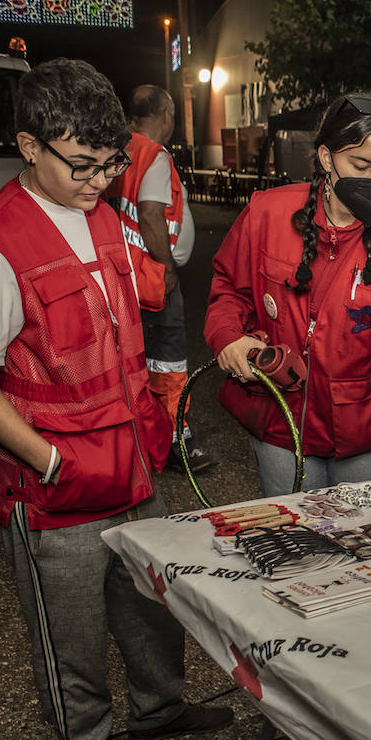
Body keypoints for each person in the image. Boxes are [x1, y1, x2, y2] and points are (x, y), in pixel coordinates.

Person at [0, 58, 232, 740]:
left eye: (111, 162)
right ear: (28, 145)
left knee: (148, 603)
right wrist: (47, 458)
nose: (99, 179)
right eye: (80, 163)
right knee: (69, 633)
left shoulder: (105, 211)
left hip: (130, 463)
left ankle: (159, 710)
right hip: (53, 483)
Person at [205, 92, 371, 500]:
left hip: (367, 437)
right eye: (361, 165)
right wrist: (227, 337)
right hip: (281, 425)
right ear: (327, 158)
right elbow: (228, 289)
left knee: (366, 550)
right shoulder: (266, 214)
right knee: (294, 544)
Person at [105, 84, 216, 473]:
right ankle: (176, 443)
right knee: (168, 364)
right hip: (153, 278)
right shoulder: (153, 154)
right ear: (167, 115)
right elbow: (151, 214)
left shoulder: (122, 148)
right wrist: (167, 268)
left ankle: (140, 437)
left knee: (137, 360)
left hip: (130, 273)